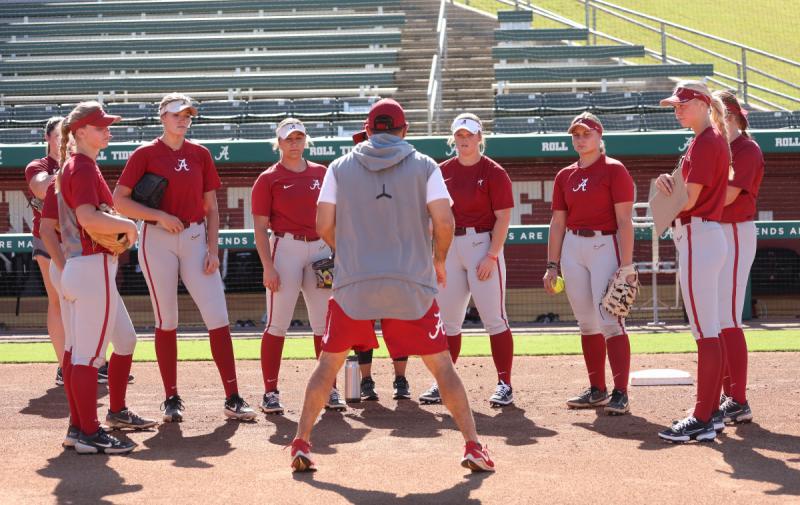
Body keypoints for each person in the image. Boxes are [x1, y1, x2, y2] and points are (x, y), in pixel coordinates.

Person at [290, 98, 494, 472]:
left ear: (368, 130)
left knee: (328, 365)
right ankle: (473, 445)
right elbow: (445, 223)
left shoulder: (338, 166)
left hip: (354, 284)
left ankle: (302, 441)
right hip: (411, 283)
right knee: (442, 367)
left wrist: (348, 250)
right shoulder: (425, 165)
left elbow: (322, 224)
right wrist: (439, 259)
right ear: (404, 130)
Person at [113, 93, 255, 423]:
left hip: (194, 237)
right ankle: (171, 397)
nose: (183, 118)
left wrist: (213, 248)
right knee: (167, 319)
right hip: (157, 238)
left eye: (187, 114)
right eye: (176, 113)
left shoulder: (200, 154)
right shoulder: (144, 154)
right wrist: (157, 215)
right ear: (162, 117)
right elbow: (120, 201)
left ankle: (232, 397)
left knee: (218, 316)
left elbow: (212, 208)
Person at [57, 101, 156, 454]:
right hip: (91, 267)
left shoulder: (77, 166)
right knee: (87, 357)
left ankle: (78, 427)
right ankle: (88, 431)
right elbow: (87, 217)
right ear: (80, 131)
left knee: (83, 351)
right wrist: (128, 225)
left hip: (79, 269)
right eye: (100, 126)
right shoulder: (81, 167)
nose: (107, 130)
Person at [419, 113, 515, 408]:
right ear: (453, 138)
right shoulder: (440, 170)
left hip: (481, 243)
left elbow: (503, 218)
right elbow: (433, 217)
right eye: (459, 135)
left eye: (469, 135)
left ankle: (504, 384)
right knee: (448, 322)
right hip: (449, 246)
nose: (464, 140)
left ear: (479, 137)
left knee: (494, 319)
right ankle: (443, 382)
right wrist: (435, 256)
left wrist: (491, 255)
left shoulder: (494, 172)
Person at [542, 113, 635, 415]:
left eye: (586, 133)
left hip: (603, 244)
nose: (581, 139)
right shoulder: (564, 175)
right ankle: (597, 389)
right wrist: (552, 265)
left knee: (610, 320)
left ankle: (621, 391)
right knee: (586, 322)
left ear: (599, 136)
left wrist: (627, 263)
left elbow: (624, 220)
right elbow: (557, 222)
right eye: (576, 135)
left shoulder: (614, 170)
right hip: (572, 246)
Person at [250, 118, 345, 415]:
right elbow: (260, 228)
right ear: (278, 142)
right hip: (285, 248)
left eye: (299, 137)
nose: (294, 142)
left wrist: (337, 252)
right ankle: (270, 392)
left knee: (323, 324)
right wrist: (268, 266)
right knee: (277, 323)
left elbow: (335, 216)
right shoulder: (268, 179)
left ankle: (329, 388)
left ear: (306, 141)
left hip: (319, 247)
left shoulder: (323, 172)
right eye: (288, 138)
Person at [654, 82, 731, 443]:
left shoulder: (705, 141)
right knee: (709, 328)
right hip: (703, 235)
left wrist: (668, 193)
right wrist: (670, 187)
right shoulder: (706, 139)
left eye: (683, 104)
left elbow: (689, 200)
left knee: (704, 331)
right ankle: (711, 413)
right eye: (675, 105)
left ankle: (702, 416)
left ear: (701, 104)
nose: (677, 110)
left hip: (698, 234)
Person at [714, 90, 763, 425]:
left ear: (729, 116)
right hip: (715, 232)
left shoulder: (745, 148)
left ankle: (739, 399)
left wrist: (689, 203)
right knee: (716, 319)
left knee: (728, 317)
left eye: (716, 116)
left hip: (734, 230)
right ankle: (728, 395)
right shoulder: (718, 148)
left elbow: (729, 196)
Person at [25, 116, 66, 385]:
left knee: (86, 302)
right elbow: (40, 189)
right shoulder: (39, 165)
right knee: (58, 301)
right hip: (48, 238)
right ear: (48, 138)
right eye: (59, 134)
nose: (64, 139)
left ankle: (94, 360)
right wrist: (69, 171)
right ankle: (65, 365)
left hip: (79, 239)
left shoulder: (84, 163)